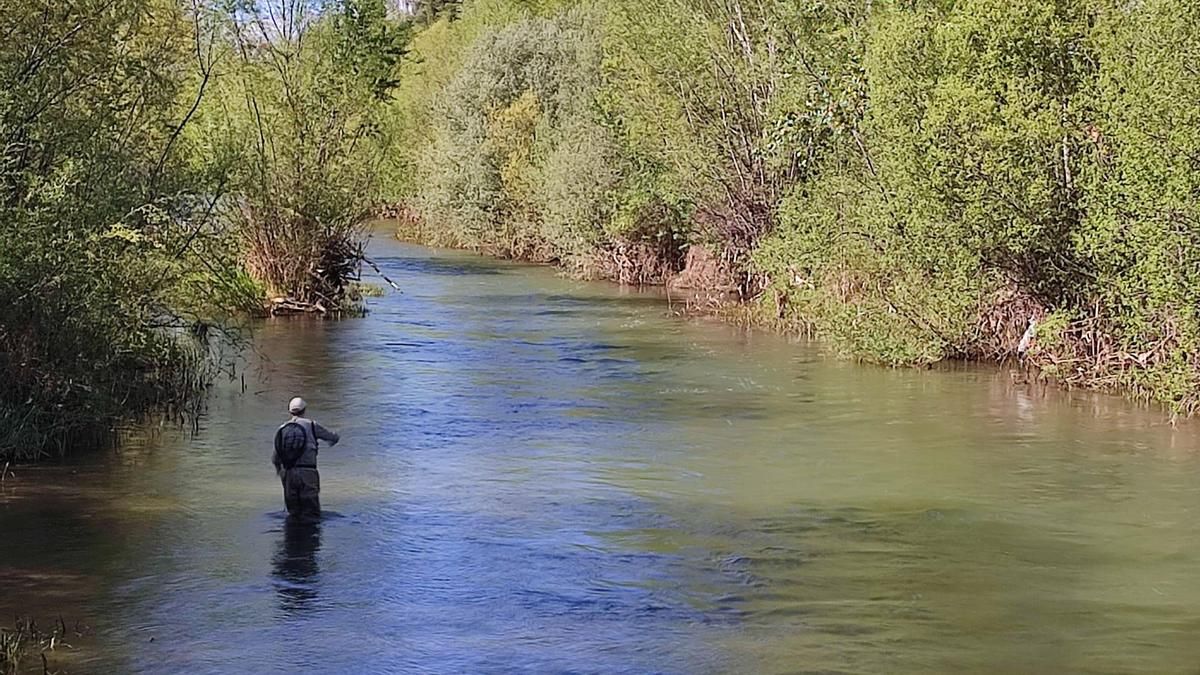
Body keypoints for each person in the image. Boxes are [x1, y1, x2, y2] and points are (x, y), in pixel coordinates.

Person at [272, 397, 339, 520]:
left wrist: (280, 472)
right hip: (308, 473)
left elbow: (276, 457)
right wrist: (336, 435)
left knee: (293, 514)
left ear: (290, 411)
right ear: (304, 410)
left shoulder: (282, 428)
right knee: (311, 514)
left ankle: (293, 538)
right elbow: (332, 438)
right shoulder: (312, 425)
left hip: (289, 474)